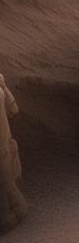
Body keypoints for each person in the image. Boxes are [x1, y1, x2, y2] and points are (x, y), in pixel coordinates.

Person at [0, 73, 26, 231]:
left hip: (2, 146)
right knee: (5, 181)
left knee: (4, 183)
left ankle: (7, 217)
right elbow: (13, 109)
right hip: (5, 144)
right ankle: (17, 209)